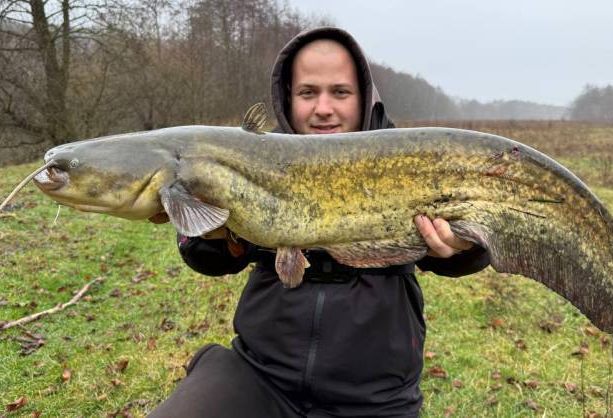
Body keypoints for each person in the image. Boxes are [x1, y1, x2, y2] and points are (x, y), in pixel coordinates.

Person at [148, 27, 490, 418]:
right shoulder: (244, 156)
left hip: (375, 395)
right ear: (288, 99)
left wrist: (460, 248)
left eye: (340, 92)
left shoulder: (409, 159)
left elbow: (473, 241)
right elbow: (208, 259)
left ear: (364, 98)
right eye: (308, 93)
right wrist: (215, 236)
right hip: (261, 375)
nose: (323, 107)